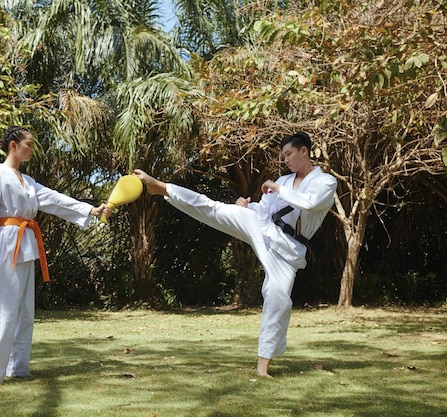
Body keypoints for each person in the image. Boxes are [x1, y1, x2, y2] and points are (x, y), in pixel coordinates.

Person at [133, 132, 337, 378]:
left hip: (288, 249)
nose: (285, 160)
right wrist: (248, 206)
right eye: (283, 156)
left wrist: (277, 188)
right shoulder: (283, 180)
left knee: (278, 298)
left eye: (289, 154)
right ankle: (164, 189)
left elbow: (310, 203)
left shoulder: (325, 182)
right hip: (263, 227)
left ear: (304, 151)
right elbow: (266, 209)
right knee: (215, 209)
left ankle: (263, 367)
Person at [0, 126, 107, 390]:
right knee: (0, 309)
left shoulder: (27, 181)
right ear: (13, 145)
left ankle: (17, 367)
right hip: (8, 240)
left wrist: (90, 210)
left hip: (25, 242)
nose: (32, 149)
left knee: (23, 309)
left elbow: (55, 200)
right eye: (29, 144)